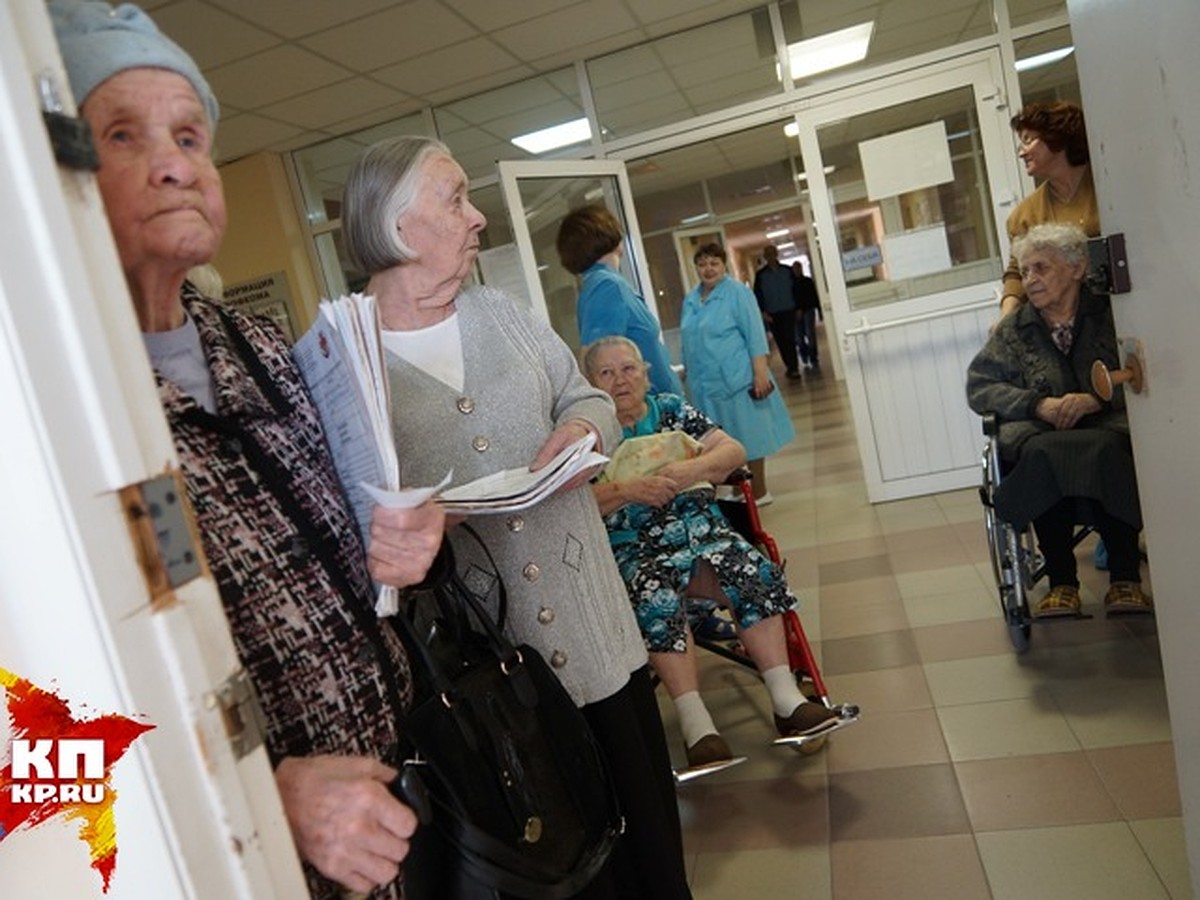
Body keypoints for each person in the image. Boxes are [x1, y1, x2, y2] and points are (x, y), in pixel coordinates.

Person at [49, 3, 446, 898]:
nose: (173, 165)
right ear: (61, 179)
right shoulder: (54, 415)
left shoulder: (264, 348)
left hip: (381, 812)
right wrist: (258, 794)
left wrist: (412, 534)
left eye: (190, 137)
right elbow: (36, 721)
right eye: (122, 134)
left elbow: (360, 526)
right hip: (232, 860)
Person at [340, 136, 692, 900]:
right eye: (455, 197)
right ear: (400, 228)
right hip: (488, 685)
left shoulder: (502, 313)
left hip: (595, 640)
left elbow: (587, 395)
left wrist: (587, 430)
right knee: (554, 871)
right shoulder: (344, 360)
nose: (478, 217)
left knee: (652, 866)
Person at [582, 336, 841, 771]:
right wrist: (627, 489)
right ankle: (696, 724)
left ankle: (786, 699)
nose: (620, 381)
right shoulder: (589, 433)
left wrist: (690, 470)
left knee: (751, 570)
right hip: (636, 549)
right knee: (654, 590)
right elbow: (574, 503)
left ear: (646, 372)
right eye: (606, 374)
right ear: (589, 384)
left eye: (628, 369)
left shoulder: (671, 410)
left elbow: (734, 450)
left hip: (705, 536)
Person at [967, 224, 1151, 618]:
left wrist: (1097, 397)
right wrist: (1038, 405)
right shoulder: (1014, 330)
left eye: (1041, 268)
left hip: (1107, 427)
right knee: (1042, 455)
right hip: (1041, 433)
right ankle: (1061, 583)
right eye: (1025, 270)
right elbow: (979, 386)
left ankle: (1125, 579)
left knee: (1107, 449)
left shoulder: (1110, 315)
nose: (1030, 280)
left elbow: (1141, 371)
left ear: (1077, 268)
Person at [681, 243, 794, 503]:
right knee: (720, 440)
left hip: (738, 378)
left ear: (724, 265)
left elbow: (755, 334)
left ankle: (759, 491)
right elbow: (689, 339)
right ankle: (734, 489)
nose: (708, 269)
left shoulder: (737, 294)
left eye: (714, 263)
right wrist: (686, 370)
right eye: (702, 264)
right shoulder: (691, 299)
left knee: (750, 436)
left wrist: (760, 373)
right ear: (696, 267)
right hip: (705, 384)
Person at [556, 204, 683, 396]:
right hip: (647, 412)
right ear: (609, 237)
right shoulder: (607, 286)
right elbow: (596, 361)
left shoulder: (602, 283)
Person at [999, 101, 1099, 320]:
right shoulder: (1023, 216)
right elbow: (1017, 272)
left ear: (1057, 139)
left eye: (1028, 141)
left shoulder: (1106, 185)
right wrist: (1005, 318)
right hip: (1068, 322)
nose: (1022, 153)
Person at [752, 245, 801, 380]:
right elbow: (758, 295)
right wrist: (762, 312)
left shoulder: (787, 271)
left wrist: (798, 308)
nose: (770, 256)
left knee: (790, 339)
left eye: (772, 253)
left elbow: (796, 290)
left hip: (789, 310)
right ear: (765, 257)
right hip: (772, 314)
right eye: (767, 254)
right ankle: (789, 366)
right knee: (781, 341)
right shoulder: (761, 275)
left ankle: (794, 367)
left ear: (776, 254)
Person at [791, 261, 822, 371]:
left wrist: (820, 311)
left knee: (810, 334)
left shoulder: (808, 281)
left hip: (808, 310)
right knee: (798, 337)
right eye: (794, 269)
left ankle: (813, 357)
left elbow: (813, 297)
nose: (796, 271)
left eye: (798, 268)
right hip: (795, 313)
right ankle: (804, 356)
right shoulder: (790, 284)